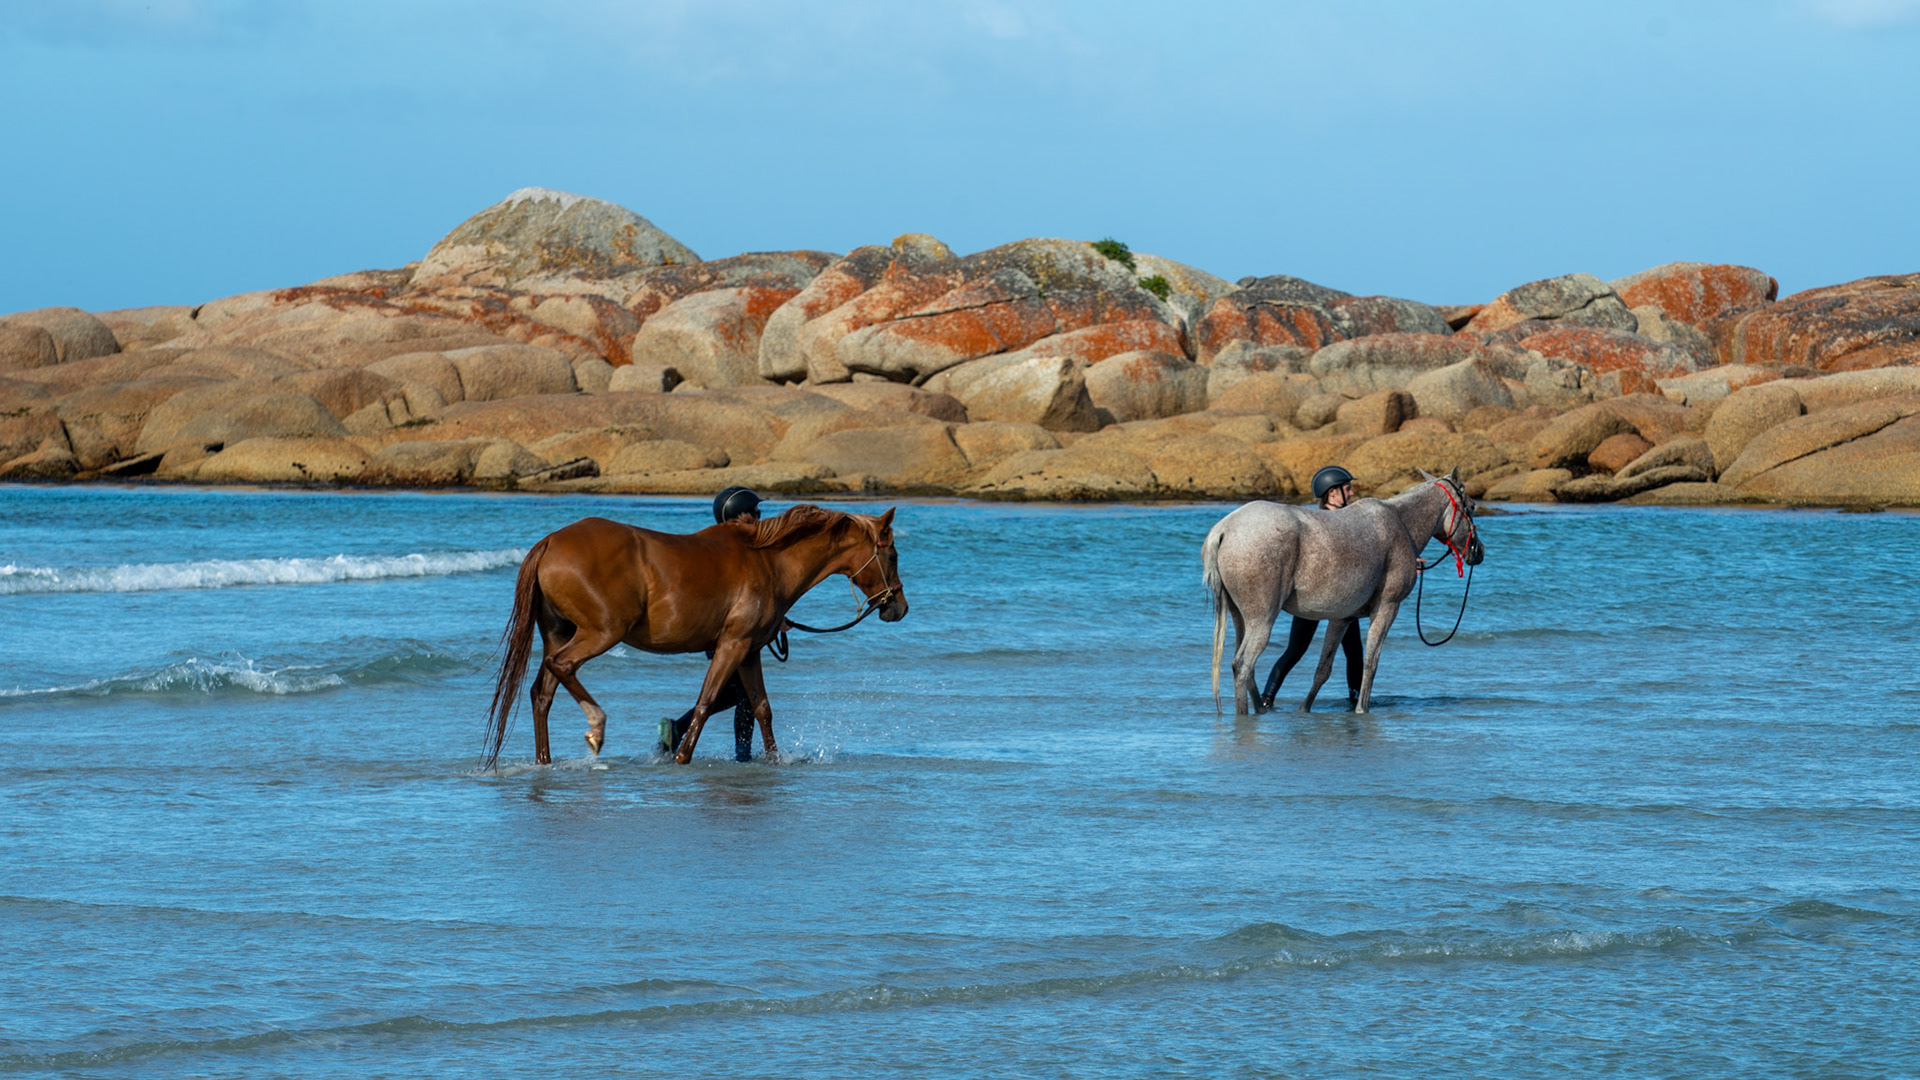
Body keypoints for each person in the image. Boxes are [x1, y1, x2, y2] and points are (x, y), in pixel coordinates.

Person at [656, 486, 772, 761]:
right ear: (742, 516)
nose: (760, 517)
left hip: (719, 629)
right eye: (757, 513)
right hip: (728, 632)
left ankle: (677, 729)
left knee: (736, 692)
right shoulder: (739, 550)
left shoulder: (722, 547)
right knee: (744, 694)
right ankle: (742, 758)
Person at [1258, 465, 1366, 711]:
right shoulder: (1318, 524)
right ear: (1332, 493)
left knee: (1354, 653)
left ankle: (1355, 699)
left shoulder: (1351, 522)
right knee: (1295, 651)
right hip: (1315, 596)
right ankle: (1266, 698)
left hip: (1342, 597)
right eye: (1347, 489)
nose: (1351, 494)